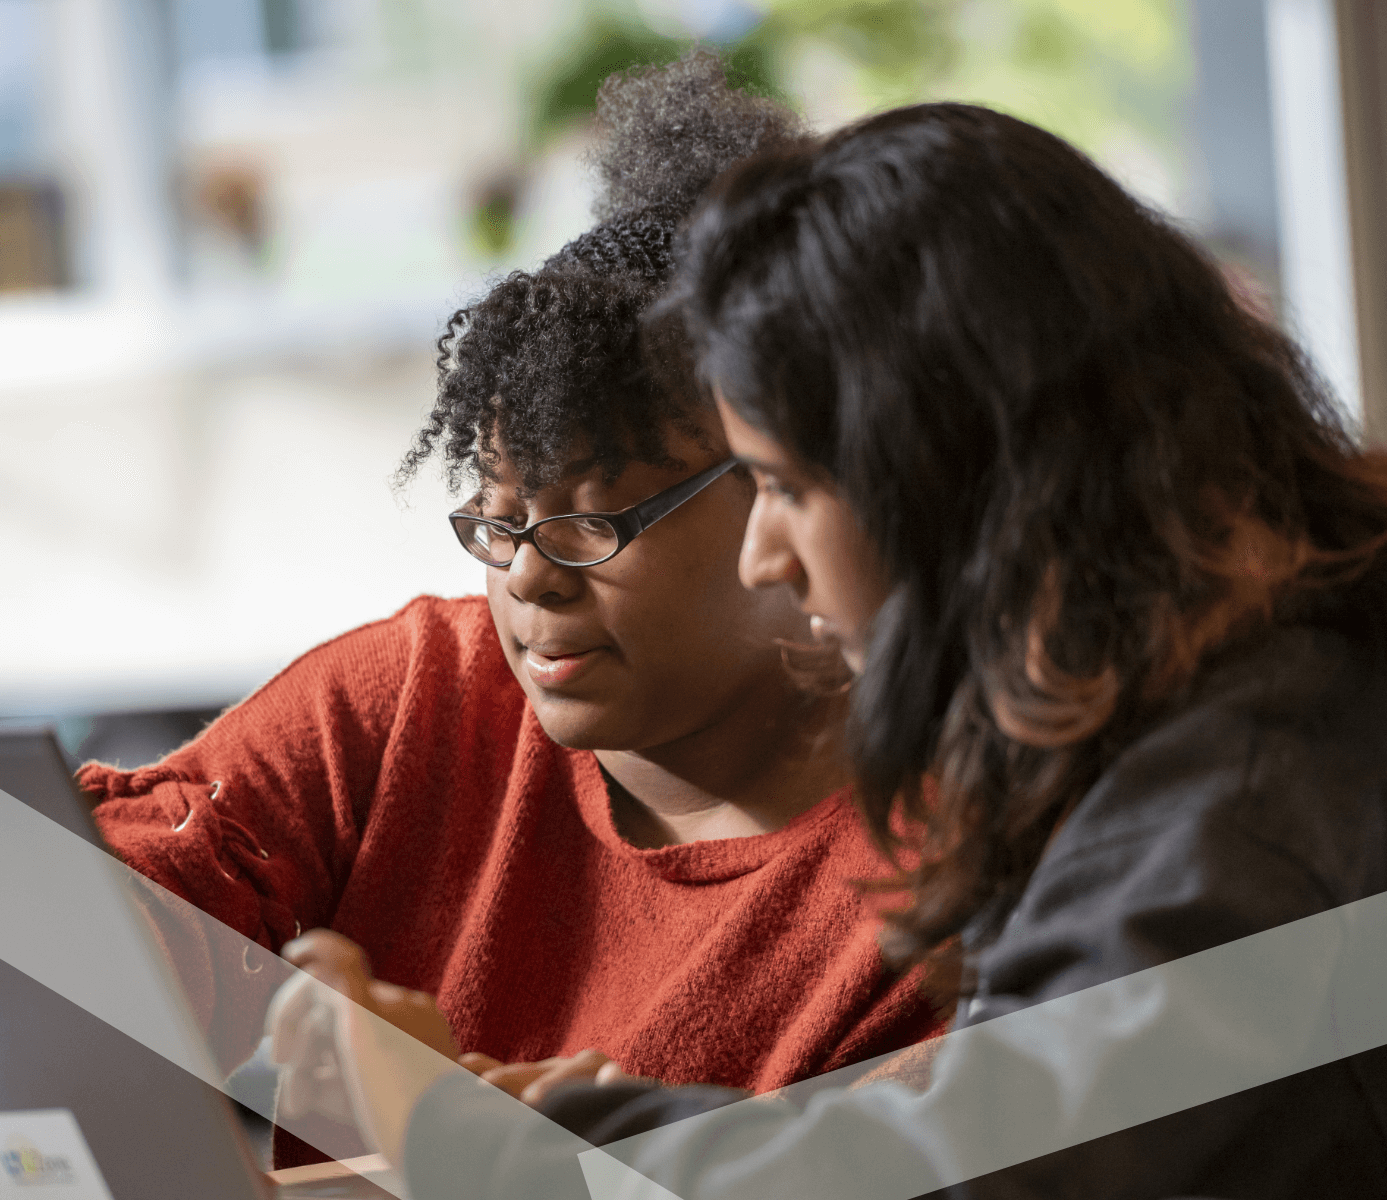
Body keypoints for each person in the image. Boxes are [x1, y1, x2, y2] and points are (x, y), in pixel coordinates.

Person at [287, 102, 1387, 1198]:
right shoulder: (1230, 720)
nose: (765, 556)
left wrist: (459, 1128)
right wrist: (579, 1128)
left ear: (950, 475)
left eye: (784, 487)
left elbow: (988, 1175)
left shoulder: (1252, 796)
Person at [80, 55, 941, 1170]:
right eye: (498, 520)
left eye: (596, 521)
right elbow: (116, 905)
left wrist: (447, 1128)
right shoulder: (418, 697)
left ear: (788, 491)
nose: (530, 577)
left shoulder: (950, 865)